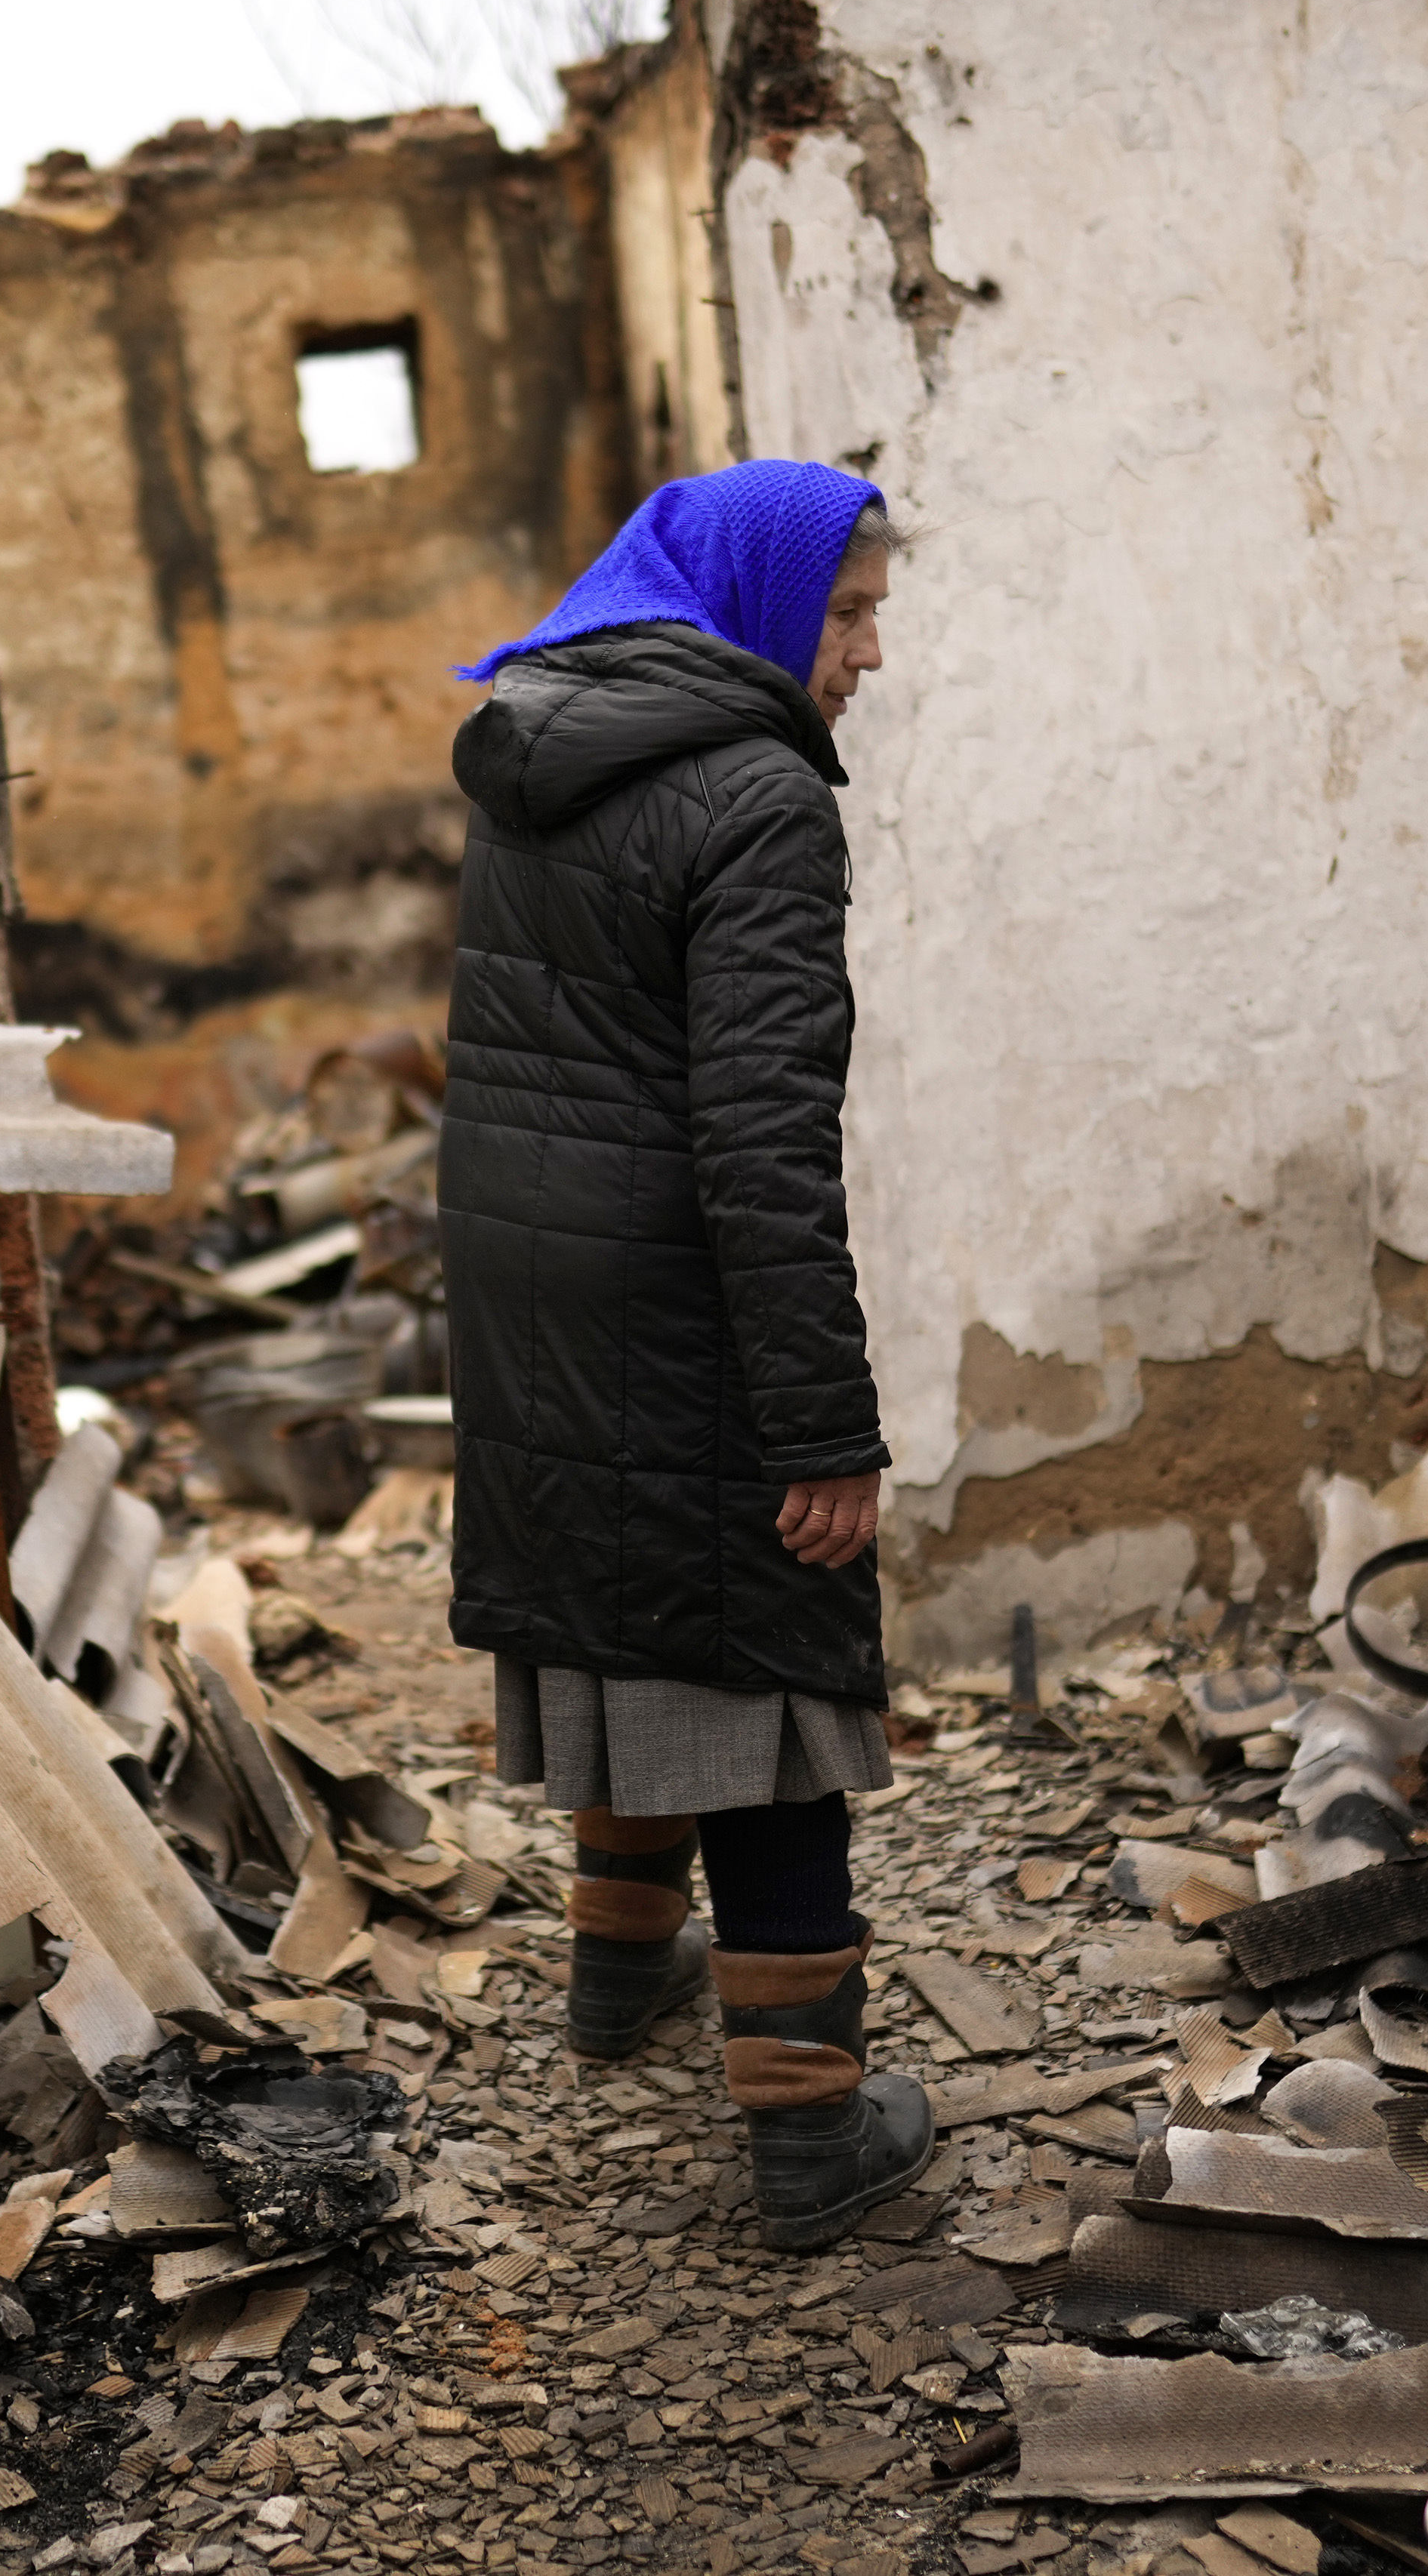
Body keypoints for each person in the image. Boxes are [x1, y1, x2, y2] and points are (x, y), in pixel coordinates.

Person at [436, 458, 928, 2252]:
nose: (867, 656)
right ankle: (809, 2130)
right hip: (678, 1284)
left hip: (526, 1270)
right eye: (850, 614)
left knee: (614, 1607)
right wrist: (821, 1422)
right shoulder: (752, 799)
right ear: (754, 600)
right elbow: (762, 1142)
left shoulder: (539, 745)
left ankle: (612, 1983)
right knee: (766, 1668)